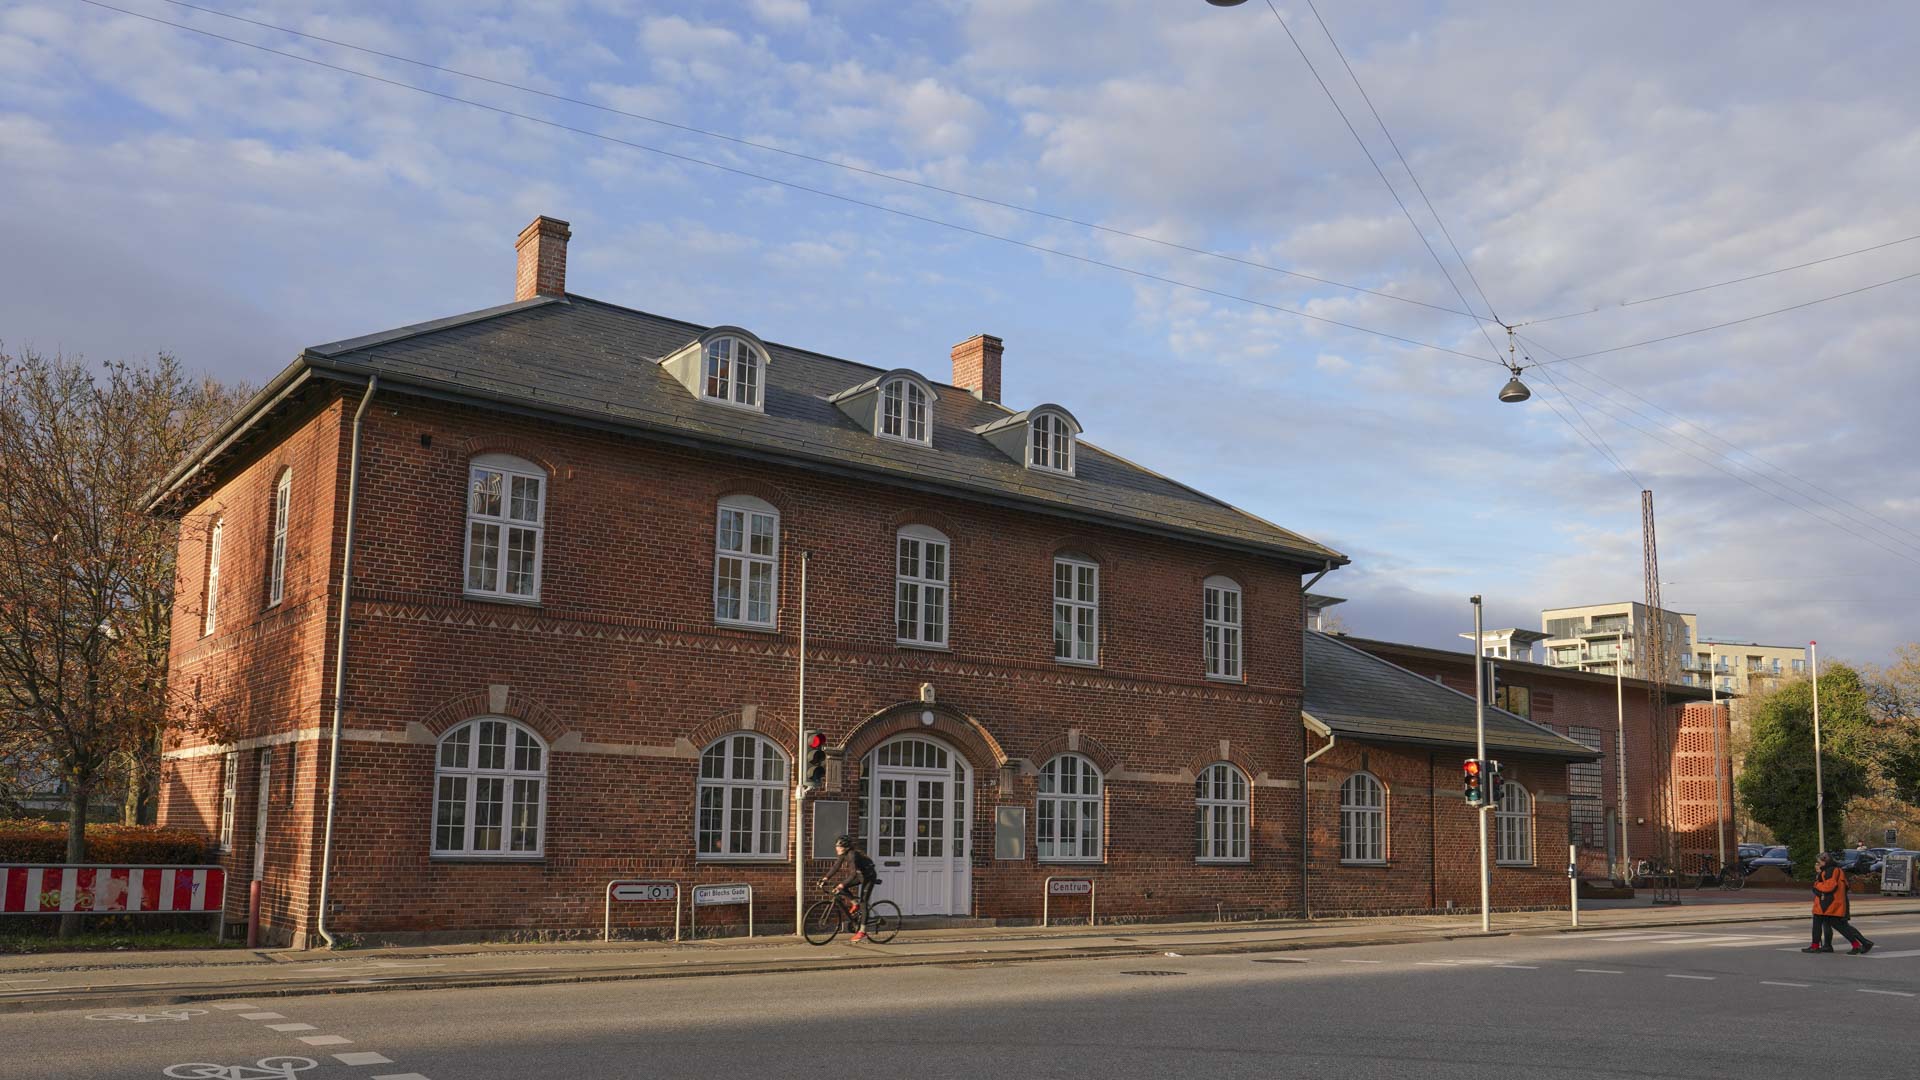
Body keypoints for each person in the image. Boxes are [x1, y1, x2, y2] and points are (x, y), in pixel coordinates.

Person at [1805, 852, 1874, 954]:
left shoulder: (1829, 871)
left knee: (1829, 924)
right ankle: (1856, 944)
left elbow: (1829, 887)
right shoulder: (1837, 870)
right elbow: (1845, 886)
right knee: (1839, 925)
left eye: (1819, 862)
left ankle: (1817, 946)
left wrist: (1817, 884)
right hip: (1835, 902)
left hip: (1828, 903)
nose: (1818, 864)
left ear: (1824, 861)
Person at [819, 834, 880, 942]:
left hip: (868, 877)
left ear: (846, 847)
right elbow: (836, 867)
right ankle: (854, 903)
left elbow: (852, 874)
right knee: (842, 889)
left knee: (863, 903)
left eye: (839, 846)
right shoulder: (843, 854)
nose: (836, 848)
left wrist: (842, 884)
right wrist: (825, 878)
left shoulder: (852, 855)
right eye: (836, 846)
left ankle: (862, 931)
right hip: (859, 875)